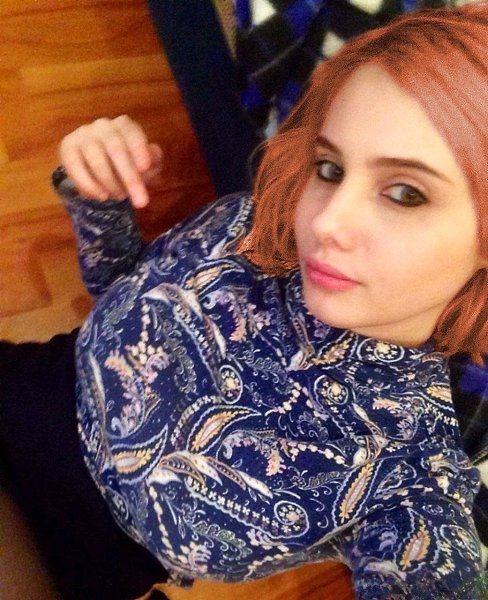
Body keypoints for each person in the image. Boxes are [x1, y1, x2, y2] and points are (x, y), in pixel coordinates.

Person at [1, 3, 488, 599]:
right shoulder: (247, 224)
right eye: (330, 167)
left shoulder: (408, 482)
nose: (325, 222)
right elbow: (117, 292)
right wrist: (98, 195)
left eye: (406, 192)